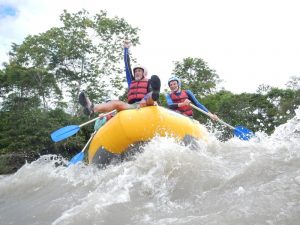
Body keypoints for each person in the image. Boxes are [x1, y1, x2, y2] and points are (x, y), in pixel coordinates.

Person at [79, 40, 161, 116]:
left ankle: (155, 93)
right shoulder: (131, 81)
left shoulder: (150, 81)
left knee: (151, 95)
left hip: (147, 104)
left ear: (144, 73)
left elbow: (150, 94)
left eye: (139, 71)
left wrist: (146, 99)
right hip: (132, 106)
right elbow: (127, 65)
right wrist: (126, 49)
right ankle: (91, 107)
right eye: (135, 71)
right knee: (115, 103)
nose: (137, 73)